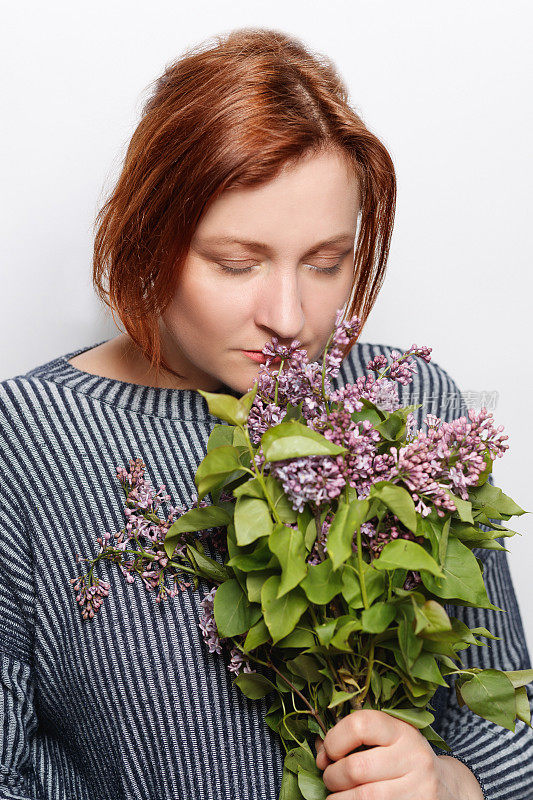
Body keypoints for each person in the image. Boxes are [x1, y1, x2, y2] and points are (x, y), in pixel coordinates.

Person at [0, 26, 531, 800]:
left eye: (326, 262)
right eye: (236, 263)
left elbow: (508, 722)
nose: (289, 316)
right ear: (148, 236)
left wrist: (450, 785)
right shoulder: (25, 442)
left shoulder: (409, 402)